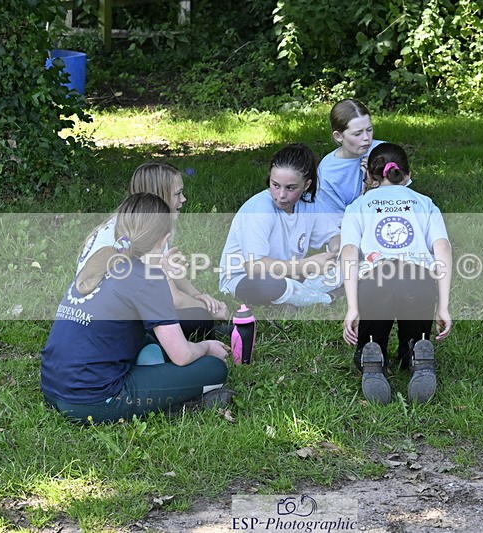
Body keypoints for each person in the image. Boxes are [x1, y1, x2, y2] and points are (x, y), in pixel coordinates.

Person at [42, 193, 232, 424]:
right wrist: (206, 346)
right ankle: (180, 404)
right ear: (164, 240)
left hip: (51, 386)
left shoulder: (101, 260)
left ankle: (154, 373)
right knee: (214, 369)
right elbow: (182, 356)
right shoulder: (148, 278)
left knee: (149, 342)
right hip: (92, 400)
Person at [340, 143, 452, 404]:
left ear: (369, 176)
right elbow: (443, 248)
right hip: (419, 280)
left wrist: (352, 307)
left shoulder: (358, 206)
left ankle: (372, 354)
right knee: (415, 336)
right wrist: (443, 306)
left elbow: (348, 252)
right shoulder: (424, 203)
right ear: (407, 175)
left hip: (375, 280)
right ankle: (416, 352)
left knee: (371, 337)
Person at [77, 162, 229, 340]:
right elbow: (173, 299)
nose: (183, 199)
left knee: (194, 314)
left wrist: (197, 295)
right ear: (159, 196)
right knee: (197, 318)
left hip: (88, 312)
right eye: (177, 194)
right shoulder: (143, 231)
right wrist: (210, 310)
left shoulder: (132, 222)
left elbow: (167, 271)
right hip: (108, 322)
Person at [219, 143, 341, 308]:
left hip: (289, 273)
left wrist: (337, 251)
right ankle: (325, 298)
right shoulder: (258, 209)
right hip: (247, 279)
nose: (281, 195)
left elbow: (333, 236)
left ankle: (296, 298)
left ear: (306, 185)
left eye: (290, 188)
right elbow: (254, 267)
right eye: (275, 185)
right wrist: (307, 264)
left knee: (351, 262)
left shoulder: (309, 205)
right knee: (270, 285)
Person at [316, 99, 387, 222]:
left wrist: (379, 174)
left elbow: (403, 196)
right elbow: (337, 221)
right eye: (357, 134)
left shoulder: (384, 151)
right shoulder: (328, 171)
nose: (366, 138)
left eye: (369, 130)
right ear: (338, 136)